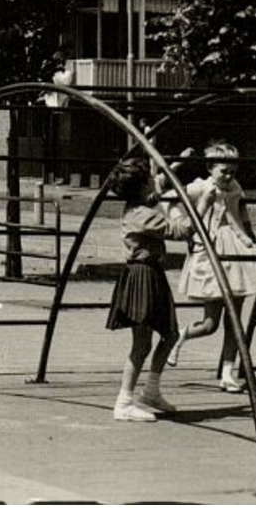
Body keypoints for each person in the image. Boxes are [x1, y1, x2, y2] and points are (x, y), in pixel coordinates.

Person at [167, 140, 256, 391]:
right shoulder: (200, 187)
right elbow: (170, 197)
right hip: (211, 251)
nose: (228, 176)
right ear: (210, 167)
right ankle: (180, 336)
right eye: (223, 171)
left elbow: (242, 216)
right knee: (210, 324)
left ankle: (228, 373)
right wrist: (184, 223)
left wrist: (251, 241)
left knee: (234, 320)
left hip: (235, 249)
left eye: (233, 172)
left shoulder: (235, 188)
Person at [105, 156, 192, 422]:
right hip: (142, 277)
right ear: (142, 186)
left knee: (171, 333)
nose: (155, 181)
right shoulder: (142, 216)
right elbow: (180, 230)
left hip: (151, 274)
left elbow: (158, 187)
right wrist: (195, 206)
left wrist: (174, 168)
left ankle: (151, 390)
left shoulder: (140, 203)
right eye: (150, 178)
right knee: (141, 344)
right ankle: (124, 402)